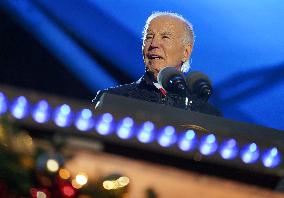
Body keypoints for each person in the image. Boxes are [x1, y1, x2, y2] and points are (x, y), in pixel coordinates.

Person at [92, 11, 222, 116]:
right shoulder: (113, 99)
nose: (153, 44)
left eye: (165, 37)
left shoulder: (206, 114)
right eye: (149, 37)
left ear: (186, 52)